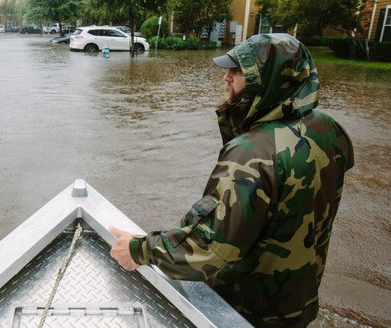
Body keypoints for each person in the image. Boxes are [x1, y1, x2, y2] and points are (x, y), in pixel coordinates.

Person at [110, 33, 354, 328]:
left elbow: (213, 248)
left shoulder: (253, 152)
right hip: (299, 302)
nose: (226, 77)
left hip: (250, 311)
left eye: (238, 70)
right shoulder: (330, 128)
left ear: (268, 80)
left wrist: (139, 250)